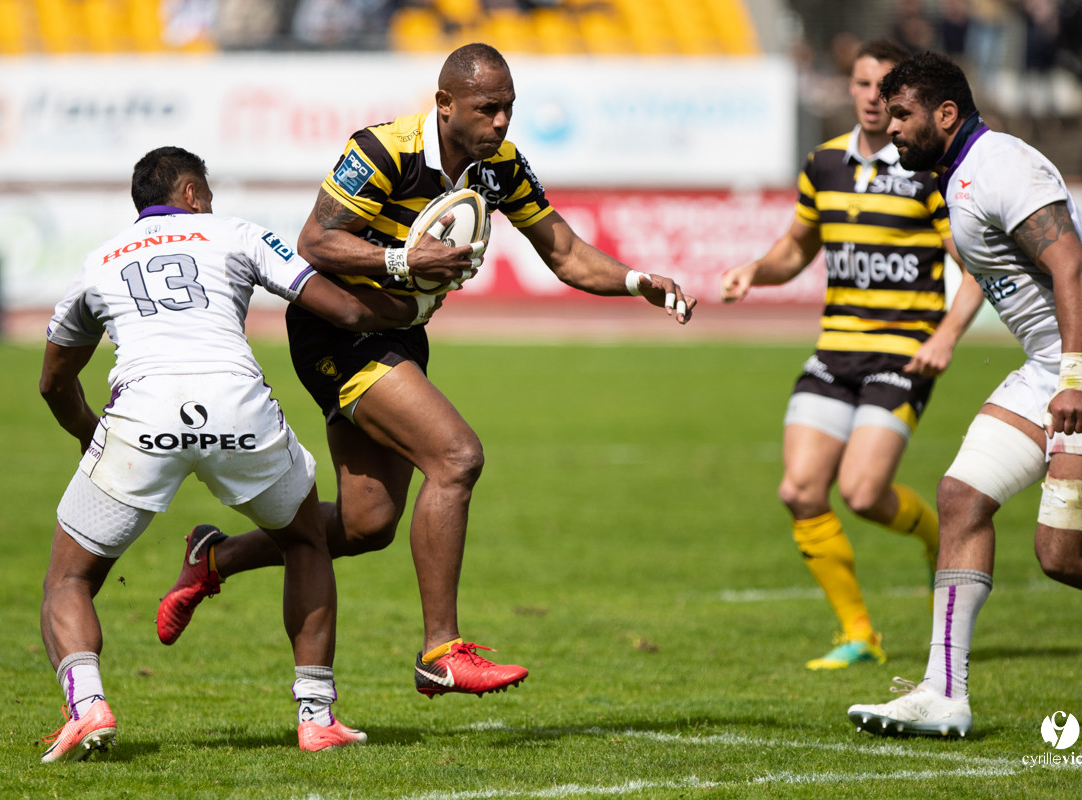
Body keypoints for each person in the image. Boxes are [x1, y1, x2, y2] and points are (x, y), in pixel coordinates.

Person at [154, 42, 696, 699]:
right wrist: (404, 264)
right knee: (456, 456)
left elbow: (566, 252)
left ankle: (214, 558)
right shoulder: (384, 151)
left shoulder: (501, 167)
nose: (501, 123)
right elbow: (315, 241)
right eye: (487, 109)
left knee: (367, 523)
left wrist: (638, 280)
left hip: (400, 335)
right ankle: (441, 650)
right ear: (444, 104)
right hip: (339, 327)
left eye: (508, 109)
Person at [37, 146, 440, 762]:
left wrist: (91, 434)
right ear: (193, 192)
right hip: (238, 408)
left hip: (143, 414)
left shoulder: (97, 263)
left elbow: (54, 382)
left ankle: (89, 706)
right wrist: (415, 305)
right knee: (305, 542)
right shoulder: (235, 233)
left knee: (68, 579)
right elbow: (348, 309)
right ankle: (316, 715)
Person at [847, 51, 1082, 738]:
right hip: (1050, 363)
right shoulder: (957, 176)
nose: (892, 128)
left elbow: (1075, 274)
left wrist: (1073, 377)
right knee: (960, 497)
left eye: (905, 115)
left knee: (1061, 554)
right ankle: (944, 690)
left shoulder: (1001, 164)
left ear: (946, 114)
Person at [720, 39, 985, 671]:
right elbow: (796, 249)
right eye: (864, 85)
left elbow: (975, 266)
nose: (874, 98)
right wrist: (754, 271)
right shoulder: (824, 164)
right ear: (850, 88)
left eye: (886, 90)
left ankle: (935, 543)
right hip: (834, 354)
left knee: (864, 494)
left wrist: (946, 334)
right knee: (799, 489)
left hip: (903, 356)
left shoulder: (926, 169)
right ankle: (859, 633)